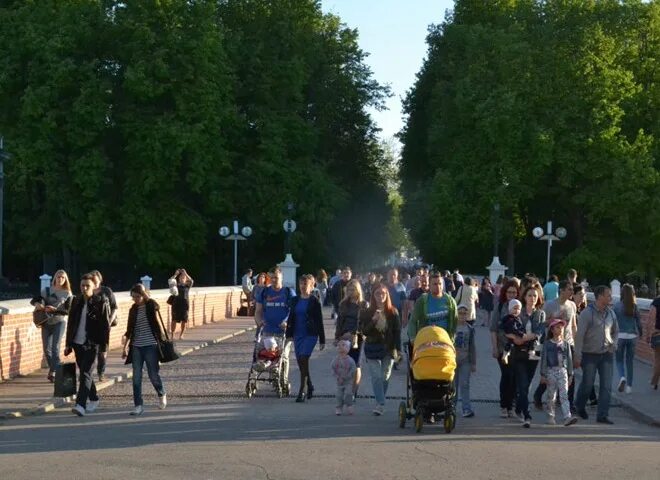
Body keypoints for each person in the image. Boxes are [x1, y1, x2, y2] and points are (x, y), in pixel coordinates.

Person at [64, 273, 111, 416]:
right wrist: (68, 344)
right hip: (78, 343)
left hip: (92, 343)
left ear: (94, 286)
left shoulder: (100, 301)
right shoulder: (76, 301)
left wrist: (104, 347)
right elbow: (71, 324)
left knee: (85, 373)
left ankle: (80, 405)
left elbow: (105, 326)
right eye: (82, 285)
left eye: (87, 286)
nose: (84, 288)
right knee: (85, 374)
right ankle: (94, 398)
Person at [574, 285, 619, 424]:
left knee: (606, 386)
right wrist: (577, 355)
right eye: (608, 295)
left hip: (606, 353)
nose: (610, 298)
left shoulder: (611, 313)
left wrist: (614, 344)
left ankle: (602, 415)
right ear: (600, 296)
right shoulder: (587, 313)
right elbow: (580, 336)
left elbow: (615, 331)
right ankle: (579, 406)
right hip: (589, 354)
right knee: (588, 383)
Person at [121, 284, 167, 416]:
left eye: (137, 296)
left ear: (143, 295)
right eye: (133, 297)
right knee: (136, 377)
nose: (135, 299)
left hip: (151, 345)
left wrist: (146, 297)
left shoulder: (150, 306)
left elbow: (156, 306)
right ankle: (138, 405)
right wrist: (125, 348)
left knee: (153, 374)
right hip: (136, 346)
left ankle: (161, 392)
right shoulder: (133, 310)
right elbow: (129, 329)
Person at [359, 283, 401, 416]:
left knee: (385, 376)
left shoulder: (393, 312)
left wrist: (398, 350)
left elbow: (397, 332)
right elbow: (364, 331)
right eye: (377, 293)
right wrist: (373, 320)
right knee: (376, 376)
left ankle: (379, 401)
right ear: (373, 295)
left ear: (387, 295)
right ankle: (381, 403)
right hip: (372, 347)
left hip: (388, 348)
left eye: (383, 293)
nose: (380, 296)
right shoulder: (367, 312)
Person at [534, 280, 577, 410]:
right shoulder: (550, 305)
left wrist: (574, 342)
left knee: (569, 373)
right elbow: (542, 324)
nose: (571, 292)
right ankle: (538, 394)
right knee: (551, 372)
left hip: (567, 343)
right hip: (552, 343)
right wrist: (551, 320)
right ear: (562, 290)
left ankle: (568, 402)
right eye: (569, 289)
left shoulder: (572, 305)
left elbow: (573, 325)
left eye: (572, 289)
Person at [505, 287, 545, 428]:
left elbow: (540, 332)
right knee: (522, 384)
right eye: (529, 295)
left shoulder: (540, 314)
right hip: (519, 352)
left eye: (535, 296)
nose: (532, 298)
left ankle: (518, 408)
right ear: (525, 297)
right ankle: (527, 415)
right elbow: (507, 328)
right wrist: (515, 338)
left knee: (526, 385)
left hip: (534, 353)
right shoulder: (518, 312)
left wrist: (526, 337)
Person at [286, 274, 325, 403]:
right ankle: (310, 385)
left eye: (306, 284)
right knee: (301, 362)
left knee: (304, 358)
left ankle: (301, 390)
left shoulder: (314, 301)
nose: (303, 286)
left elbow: (319, 320)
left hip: (310, 334)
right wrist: (288, 335)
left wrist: (322, 340)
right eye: (301, 284)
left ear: (312, 285)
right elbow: (291, 318)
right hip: (298, 334)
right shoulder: (295, 300)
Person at [31, 270, 73, 382]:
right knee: (46, 349)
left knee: (55, 348)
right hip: (46, 322)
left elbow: (68, 310)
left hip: (59, 322)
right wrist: (38, 304)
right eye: (58, 277)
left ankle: (54, 372)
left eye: (63, 277)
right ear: (55, 278)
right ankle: (55, 368)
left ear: (65, 279)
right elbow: (35, 300)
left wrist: (57, 309)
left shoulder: (67, 293)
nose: (60, 279)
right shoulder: (47, 290)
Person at [490, 279, 520, 418]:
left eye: (514, 292)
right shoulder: (500, 306)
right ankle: (504, 405)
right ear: (505, 293)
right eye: (509, 292)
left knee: (514, 377)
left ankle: (511, 406)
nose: (512, 295)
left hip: (517, 348)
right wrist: (495, 348)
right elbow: (493, 329)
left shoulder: (520, 307)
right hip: (503, 347)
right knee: (507, 375)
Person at [540, 319, 578, 426]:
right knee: (551, 395)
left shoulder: (565, 344)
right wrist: (543, 374)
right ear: (552, 329)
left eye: (561, 327)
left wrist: (570, 374)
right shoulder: (547, 344)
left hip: (563, 371)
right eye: (557, 327)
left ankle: (567, 416)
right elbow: (544, 359)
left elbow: (569, 360)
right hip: (551, 371)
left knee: (564, 394)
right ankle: (551, 416)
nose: (560, 329)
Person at [335, 279, 365, 399]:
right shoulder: (343, 304)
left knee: (357, 364)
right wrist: (338, 336)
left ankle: (353, 391)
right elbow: (339, 321)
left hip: (358, 337)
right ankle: (346, 389)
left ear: (358, 291)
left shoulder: (363, 305)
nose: (351, 292)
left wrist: (353, 333)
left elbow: (363, 323)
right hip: (344, 336)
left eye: (353, 289)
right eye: (349, 289)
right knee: (346, 364)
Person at [408, 272, 458, 341]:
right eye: (435, 284)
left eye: (440, 284)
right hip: (427, 342)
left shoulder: (450, 301)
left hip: (445, 341)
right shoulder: (422, 301)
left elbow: (455, 322)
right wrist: (413, 338)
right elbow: (413, 321)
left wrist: (453, 338)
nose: (438, 287)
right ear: (429, 285)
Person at [89, 270, 118, 382]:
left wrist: (109, 322)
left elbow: (114, 307)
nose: (94, 281)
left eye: (95, 279)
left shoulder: (106, 291)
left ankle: (101, 372)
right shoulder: (88, 290)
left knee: (102, 351)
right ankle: (88, 373)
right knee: (91, 350)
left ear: (100, 279)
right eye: (92, 279)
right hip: (91, 325)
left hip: (104, 325)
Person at [613, 284, 642, 394]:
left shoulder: (616, 306)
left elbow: (612, 322)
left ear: (621, 293)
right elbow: (639, 322)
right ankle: (629, 386)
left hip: (620, 336)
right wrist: (641, 333)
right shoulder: (634, 306)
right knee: (629, 361)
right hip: (632, 336)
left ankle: (622, 377)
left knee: (619, 360)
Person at [255, 266, 295, 336]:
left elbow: (295, 312)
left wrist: (288, 323)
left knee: (281, 347)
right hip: (267, 332)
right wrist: (260, 322)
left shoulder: (289, 292)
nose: (273, 280)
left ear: (282, 277)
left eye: (276, 278)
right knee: (269, 346)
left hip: (284, 332)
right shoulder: (264, 292)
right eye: (271, 278)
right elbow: (258, 311)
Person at [454, 304, 476, 418]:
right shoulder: (452, 327)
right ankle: (451, 407)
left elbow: (472, 346)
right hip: (452, 360)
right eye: (460, 313)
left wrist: (473, 363)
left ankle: (466, 409)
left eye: (464, 313)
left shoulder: (470, 329)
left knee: (465, 384)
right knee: (453, 386)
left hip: (465, 360)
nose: (462, 315)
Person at [331, 340, 356, 415]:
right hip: (339, 381)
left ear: (348, 349)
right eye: (339, 345)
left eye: (343, 345)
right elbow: (332, 368)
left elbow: (353, 369)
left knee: (348, 393)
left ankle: (349, 405)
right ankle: (339, 407)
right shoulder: (335, 360)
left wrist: (346, 377)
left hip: (348, 381)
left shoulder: (350, 360)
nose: (340, 347)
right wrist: (337, 377)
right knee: (339, 395)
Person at [169, 268, 194, 339]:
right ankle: (172, 334)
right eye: (181, 277)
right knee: (174, 320)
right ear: (179, 279)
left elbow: (191, 281)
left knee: (184, 320)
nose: (182, 278)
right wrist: (175, 274)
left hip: (185, 305)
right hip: (176, 305)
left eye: (184, 278)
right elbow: (170, 281)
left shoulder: (187, 286)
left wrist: (185, 273)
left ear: (186, 280)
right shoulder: (175, 286)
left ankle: (181, 334)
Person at [648, 294, 660, 390]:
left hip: (658, 334)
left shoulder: (656, 301)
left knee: (657, 359)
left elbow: (650, 319)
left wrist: (648, 334)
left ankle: (654, 382)